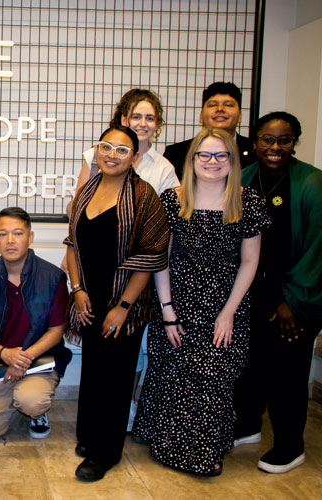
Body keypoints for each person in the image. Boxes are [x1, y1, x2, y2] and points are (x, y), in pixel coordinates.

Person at [132, 128, 268, 476]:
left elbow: (250, 261)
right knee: (172, 377)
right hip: (176, 303)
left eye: (221, 155)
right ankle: (166, 444)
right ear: (192, 160)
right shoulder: (172, 200)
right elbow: (161, 258)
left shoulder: (248, 202)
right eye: (204, 155)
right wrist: (167, 312)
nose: (212, 162)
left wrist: (228, 312)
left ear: (232, 161)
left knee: (212, 380)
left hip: (225, 307)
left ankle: (203, 452)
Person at [64, 125, 169, 482]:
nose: (112, 155)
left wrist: (122, 307)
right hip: (88, 299)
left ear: (134, 157)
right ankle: (90, 436)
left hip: (124, 304)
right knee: (94, 370)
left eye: (122, 150)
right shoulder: (87, 189)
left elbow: (151, 257)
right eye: (106, 146)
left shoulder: (144, 196)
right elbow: (72, 244)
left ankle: (105, 453)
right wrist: (77, 289)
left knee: (115, 377)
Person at [233, 112, 322, 474]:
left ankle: (290, 445)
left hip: (296, 298)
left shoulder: (312, 184)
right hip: (255, 294)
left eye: (284, 140)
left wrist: (291, 301)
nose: (275, 147)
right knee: (250, 365)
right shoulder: (245, 178)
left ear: (294, 143)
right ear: (254, 142)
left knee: (287, 373)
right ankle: (247, 425)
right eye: (267, 139)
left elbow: (317, 249)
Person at [0, 207, 71, 441]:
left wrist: (23, 358)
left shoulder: (52, 277)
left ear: (30, 237)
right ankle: (17, 401)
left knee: (31, 401)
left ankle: (35, 411)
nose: (10, 240)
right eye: (3, 234)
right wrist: (5, 354)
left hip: (39, 361)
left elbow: (57, 330)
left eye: (18, 233)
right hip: (1, 362)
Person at [76, 88, 179, 196]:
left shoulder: (164, 169)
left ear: (157, 124)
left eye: (150, 118)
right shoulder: (96, 155)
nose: (143, 124)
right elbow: (78, 202)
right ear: (124, 120)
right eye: (136, 117)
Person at [163, 81, 254, 180]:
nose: (220, 109)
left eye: (228, 105)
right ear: (201, 116)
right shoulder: (176, 153)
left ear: (240, 116)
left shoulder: (254, 151)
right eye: (213, 105)